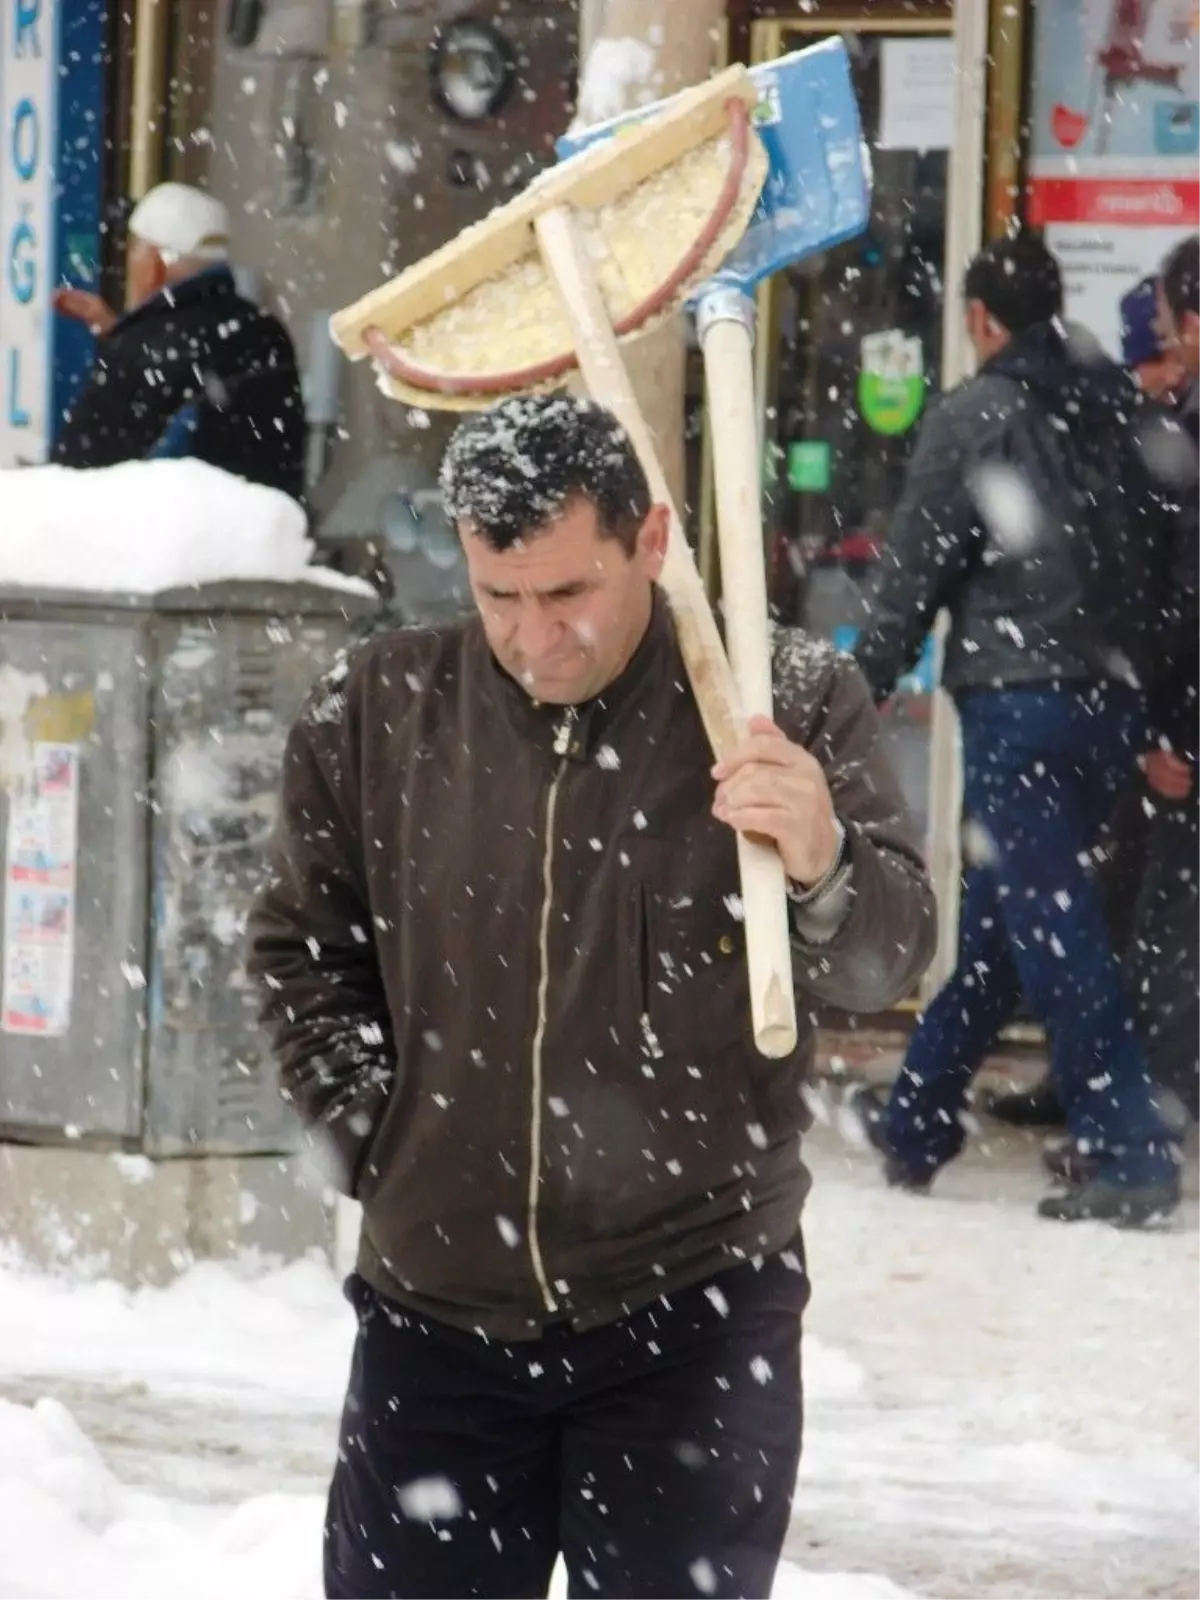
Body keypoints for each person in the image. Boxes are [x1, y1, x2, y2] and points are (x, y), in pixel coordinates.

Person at [246, 394, 936, 1600]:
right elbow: (301, 947)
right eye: (498, 594)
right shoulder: (379, 707)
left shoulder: (778, 700)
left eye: (569, 593)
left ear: (651, 542)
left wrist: (824, 858)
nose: (533, 637)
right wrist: (378, 1140)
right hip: (438, 1320)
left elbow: (890, 959)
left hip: (693, 1314)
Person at [850, 230, 1181, 1227]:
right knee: (1011, 908)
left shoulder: (977, 415)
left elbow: (914, 570)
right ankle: (917, 1118)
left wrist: (855, 688)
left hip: (1019, 701)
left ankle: (1131, 1149)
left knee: (1050, 923)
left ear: (981, 320)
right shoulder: (1116, 404)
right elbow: (1160, 560)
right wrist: (1151, 699)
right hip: (1108, 699)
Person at [987, 270, 1188, 1134]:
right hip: (1127, 708)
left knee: (1149, 921)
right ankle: (1096, 1089)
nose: (1160, 376)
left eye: (1166, 353)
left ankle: (1133, 1109)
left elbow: (1170, 592)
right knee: (1112, 906)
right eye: (1153, 359)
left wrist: (1167, 723)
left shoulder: (1160, 437)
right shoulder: (1132, 431)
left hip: (1149, 713)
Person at [51, 182, 305, 500]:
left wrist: (124, 346)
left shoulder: (141, 352)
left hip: (170, 543)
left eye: (133, 249)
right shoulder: (267, 332)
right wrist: (120, 334)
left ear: (156, 262)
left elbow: (74, 475)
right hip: (261, 539)